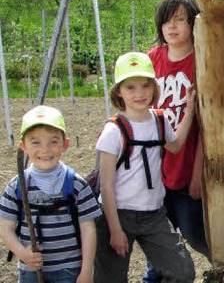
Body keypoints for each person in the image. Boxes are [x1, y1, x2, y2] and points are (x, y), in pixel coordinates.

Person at [93, 52, 196, 283]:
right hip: (118, 213)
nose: (139, 93)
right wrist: (115, 229)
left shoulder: (159, 120)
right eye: (130, 87)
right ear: (119, 90)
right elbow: (106, 187)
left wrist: (189, 110)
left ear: (154, 87)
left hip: (154, 214)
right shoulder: (113, 131)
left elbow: (176, 145)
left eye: (145, 85)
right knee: (110, 278)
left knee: (182, 272)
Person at [145, 0, 210, 282]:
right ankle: (154, 277)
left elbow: (209, 127)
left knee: (194, 232)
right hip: (154, 166)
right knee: (158, 236)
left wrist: (198, 172)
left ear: (194, 24)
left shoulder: (202, 61)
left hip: (186, 163)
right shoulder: (152, 59)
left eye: (181, 20)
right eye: (167, 20)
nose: (172, 27)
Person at [0, 105, 101, 283]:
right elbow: (5, 227)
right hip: (31, 270)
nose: (45, 150)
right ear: (23, 146)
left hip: (69, 269)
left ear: (65, 144)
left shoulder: (77, 184)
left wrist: (87, 271)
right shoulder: (18, 186)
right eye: (35, 142)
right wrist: (23, 253)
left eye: (53, 141)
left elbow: (88, 229)